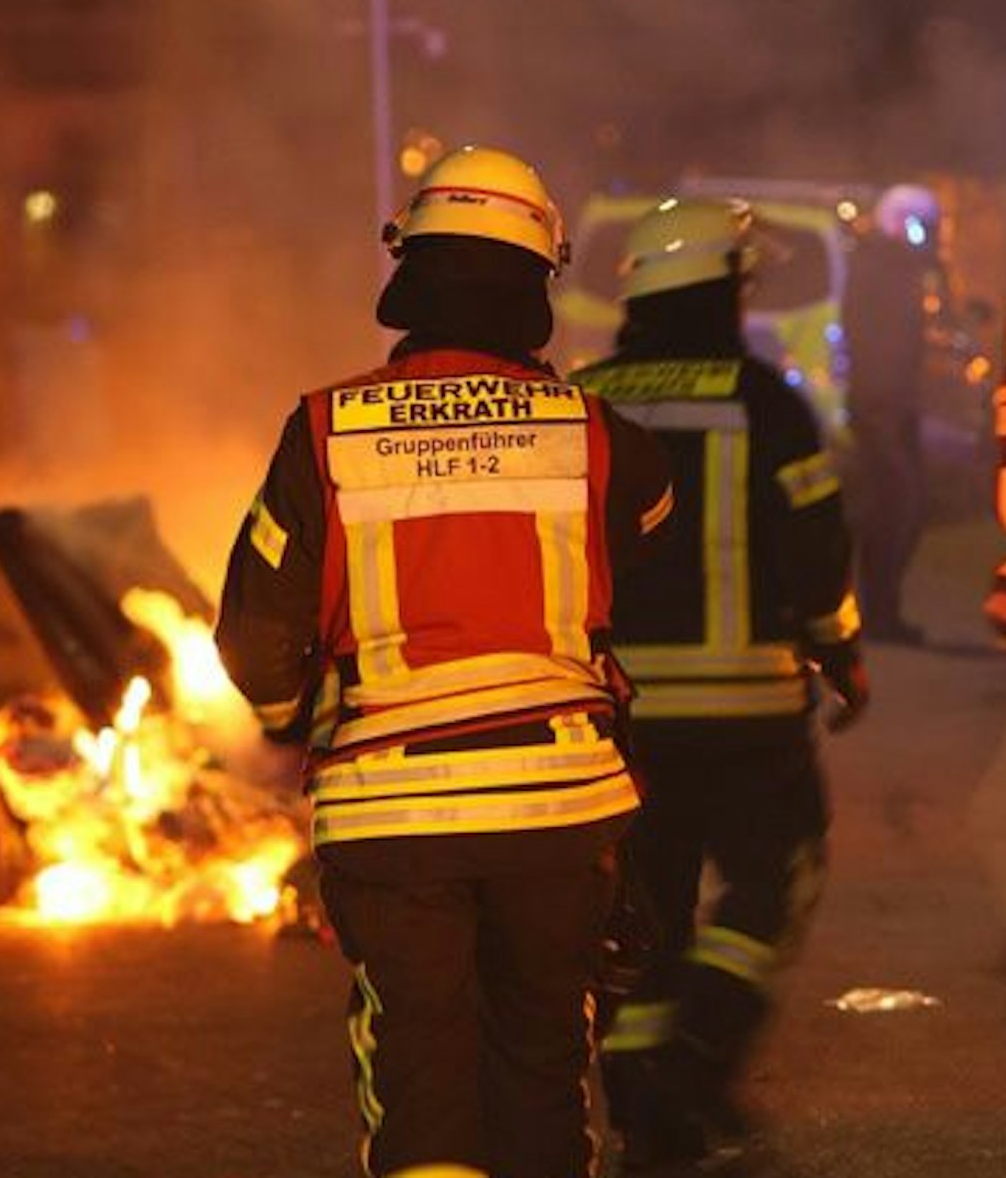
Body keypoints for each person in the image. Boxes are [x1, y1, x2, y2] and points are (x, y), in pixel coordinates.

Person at [214, 145, 674, 1178]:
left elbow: (256, 639)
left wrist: (289, 708)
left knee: (421, 1085)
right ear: (538, 281)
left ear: (409, 269)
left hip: (394, 816)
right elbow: (649, 537)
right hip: (559, 809)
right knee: (539, 1072)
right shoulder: (592, 432)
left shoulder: (326, 430)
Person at [572, 195, 870, 1171]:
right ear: (717, 292)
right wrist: (838, 651)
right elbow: (815, 548)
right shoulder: (768, 401)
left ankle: (639, 1095)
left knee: (640, 912)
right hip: (746, 714)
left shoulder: (585, 401)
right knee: (772, 882)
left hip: (617, 718)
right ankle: (692, 1061)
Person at [838, 181, 941, 645]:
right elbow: (878, 342)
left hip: (891, 405)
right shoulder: (879, 267)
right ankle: (878, 614)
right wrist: (886, 403)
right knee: (895, 507)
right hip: (881, 406)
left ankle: (881, 612)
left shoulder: (892, 266)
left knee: (899, 508)